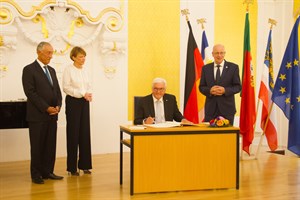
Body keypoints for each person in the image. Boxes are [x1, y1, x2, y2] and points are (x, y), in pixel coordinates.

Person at [22, 41, 63, 184]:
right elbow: (30, 93)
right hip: (37, 116)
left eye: (52, 53)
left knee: (50, 145)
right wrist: (46, 107)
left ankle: (48, 171)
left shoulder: (51, 70)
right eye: (48, 53)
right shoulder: (29, 69)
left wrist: (58, 105)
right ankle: (36, 174)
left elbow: (57, 91)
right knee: (37, 146)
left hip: (53, 115)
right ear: (39, 52)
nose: (51, 56)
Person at [62, 46, 92, 176]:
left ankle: (85, 165)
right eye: (80, 56)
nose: (83, 59)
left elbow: (88, 85)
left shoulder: (85, 70)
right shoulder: (68, 70)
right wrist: (81, 93)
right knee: (73, 134)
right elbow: (66, 87)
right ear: (73, 57)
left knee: (85, 133)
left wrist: (88, 94)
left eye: (84, 56)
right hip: (73, 102)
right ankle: (72, 168)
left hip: (84, 102)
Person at [199, 44, 241, 125]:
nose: (219, 55)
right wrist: (210, 90)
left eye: (221, 53)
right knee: (210, 137)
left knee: (227, 136)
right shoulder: (205, 68)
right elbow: (201, 87)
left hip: (227, 110)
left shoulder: (233, 67)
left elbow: (238, 87)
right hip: (210, 110)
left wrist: (225, 90)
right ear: (212, 54)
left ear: (225, 53)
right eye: (217, 53)